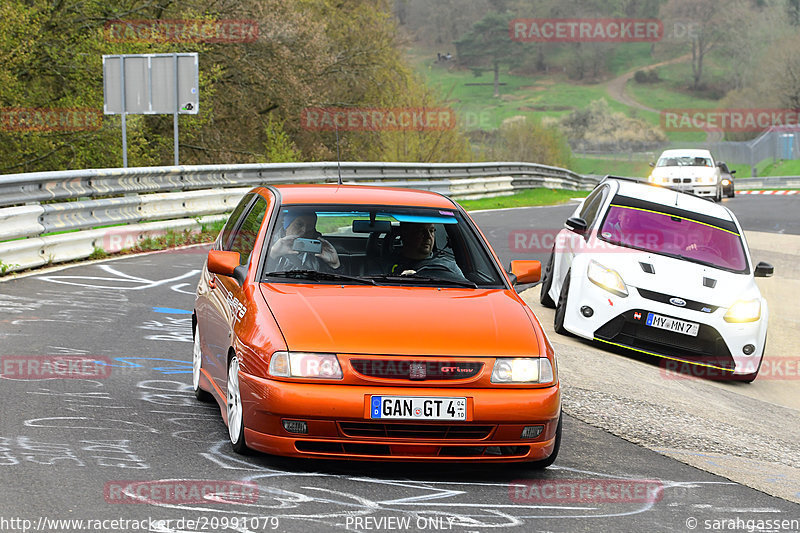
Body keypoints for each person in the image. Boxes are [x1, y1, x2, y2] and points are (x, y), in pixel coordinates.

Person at [384, 222, 467, 282]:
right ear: (405, 234)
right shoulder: (384, 266)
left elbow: (467, 288)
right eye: (421, 231)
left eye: (431, 231)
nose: (428, 237)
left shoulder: (448, 266)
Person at [267, 209, 340, 271]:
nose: (304, 230)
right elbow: (260, 278)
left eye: (310, 227)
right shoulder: (265, 245)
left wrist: (335, 265)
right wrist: (273, 255)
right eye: (299, 224)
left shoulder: (320, 252)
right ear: (286, 226)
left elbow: (333, 284)